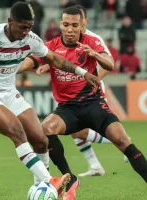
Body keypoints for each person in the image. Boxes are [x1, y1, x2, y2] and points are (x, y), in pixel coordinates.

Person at [0, 2, 100, 196]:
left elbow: (56, 60)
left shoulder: (31, 40)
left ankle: (41, 190)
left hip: (8, 92)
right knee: (16, 130)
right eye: (22, 26)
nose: (26, 31)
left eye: (30, 27)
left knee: (40, 139)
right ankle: (49, 181)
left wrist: (83, 73)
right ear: (10, 21)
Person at [19, 6, 147, 200]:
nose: (70, 29)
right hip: (68, 108)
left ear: (82, 25)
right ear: (61, 25)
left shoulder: (92, 41)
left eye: (74, 25)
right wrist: (14, 68)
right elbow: (32, 60)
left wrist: (94, 55)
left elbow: (110, 64)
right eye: (66, 25)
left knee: (122, 140)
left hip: (93, 104)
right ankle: (69, 178)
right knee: (44, 130)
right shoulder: (51, 45)